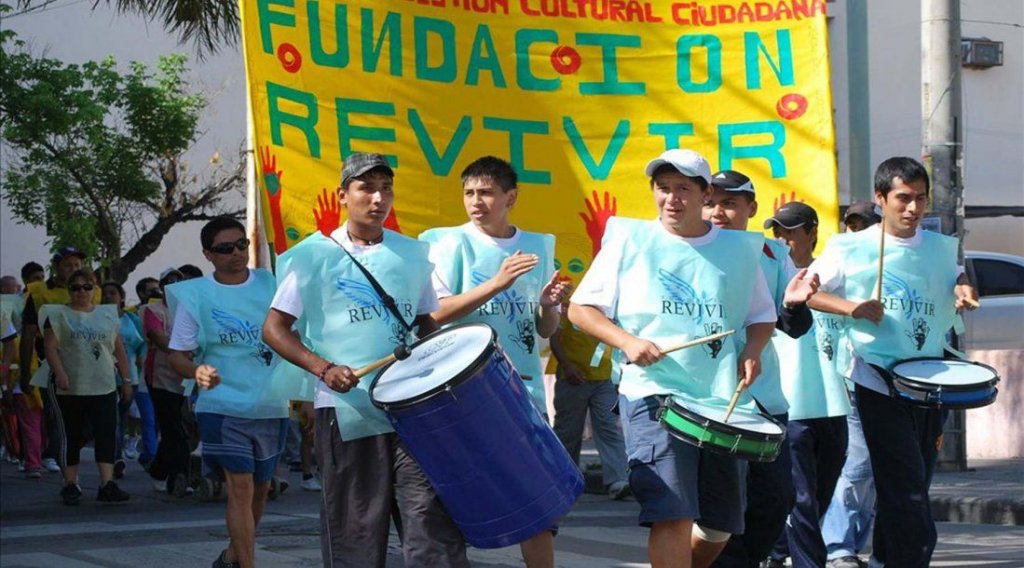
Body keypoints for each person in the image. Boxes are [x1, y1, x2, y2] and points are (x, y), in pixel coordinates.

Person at [568, 149, 779, 568]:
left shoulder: (739, 249)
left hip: (720, 401)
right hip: (653, 395)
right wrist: (626, 341)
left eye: (683, 188)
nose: (672, 198)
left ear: (705, 194)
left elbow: (761, 315)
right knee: (672, 513)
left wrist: (753, 350)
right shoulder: (630, 240)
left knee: (719, 525)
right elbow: (580, 310)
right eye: (663, 188)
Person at [263, 152, 469, 568]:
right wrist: (323, 368)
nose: (378, 198)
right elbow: (274, 328)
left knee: (429, 518)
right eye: (366, 188)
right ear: (343, 195)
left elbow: (425, 323)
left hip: (413, 410)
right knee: (356, 528)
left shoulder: (413, 255)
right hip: (347, 412)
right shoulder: (312, 256)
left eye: (386, 188)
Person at [807, 157, 978, 567]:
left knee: (912, 478)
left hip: (930, 379)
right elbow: (806, 293)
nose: (913, 208)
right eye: (903, 198)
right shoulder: (849, 246)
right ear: (881, 198)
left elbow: (957, 276)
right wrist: (852, 308)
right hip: (874, 378)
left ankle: (886, 556)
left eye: (920, 199)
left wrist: (963, 289)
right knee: (905, 484)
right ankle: (902, 556)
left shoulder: (940, 247)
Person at [419, 155, 570, 568]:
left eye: (486, 192)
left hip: (522, 386)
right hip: (461, 389)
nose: (476, 201)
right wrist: (497, 283)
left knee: (537, 497)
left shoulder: (538, 245)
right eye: (469, 192)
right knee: (458, 497)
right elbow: (432, 315)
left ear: (511, 197)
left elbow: (544, 329)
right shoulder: (444, 242)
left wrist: (548, 306)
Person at [699, 171, 818, 568]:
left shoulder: (773, 254)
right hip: (709, 400)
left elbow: (795, 327)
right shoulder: (690, 250)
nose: (719, 212)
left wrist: (796, 304)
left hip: (764, 400)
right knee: (722, 505)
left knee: (776, 498)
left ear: (750, 209)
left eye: (730, 203)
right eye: (712, 202)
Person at [166, 217, 290, 568]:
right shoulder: (196, 294)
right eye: (225, 248)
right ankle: (247, 564)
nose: (237, 253)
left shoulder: (272, 284)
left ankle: (233, 555)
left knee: (262, 489)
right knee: (240, 486)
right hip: (221, 405)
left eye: (241, 245)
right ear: (208, 254)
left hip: (270, 400)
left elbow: (296, 336)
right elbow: (177, 356)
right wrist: (196, 371)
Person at [762, 203, 850, 568]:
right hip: (792, 404)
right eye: (777, 232)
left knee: (819, 497)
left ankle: (777, 549)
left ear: (812, 232)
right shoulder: (770, 276)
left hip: (834, 403)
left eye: (790, 232)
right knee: (802, 499)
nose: (782, 240)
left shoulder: (835, 276)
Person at [33, 268, 133, 505]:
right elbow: (50, 346)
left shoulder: (107, 315)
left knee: (106, 432)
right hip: (70, 383)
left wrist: (126, 380)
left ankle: (107, 483)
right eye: (75, 287)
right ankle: (70, 483)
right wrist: (60, 373)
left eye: (87, 287)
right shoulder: (57, 315)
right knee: (71, 434)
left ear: (94, 289)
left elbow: (118, 349)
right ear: (69, 291)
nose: (81, 292)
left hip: (103, 383)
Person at [820, 203, 882, 568]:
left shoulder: (902, 259)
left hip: (899, 380)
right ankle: (838, 545)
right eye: (851, 225)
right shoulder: (840, 258)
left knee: (877, 467)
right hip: (853, 374)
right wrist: (852, 307)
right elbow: (810, 294)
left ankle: (855, 543)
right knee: (858, 461)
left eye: (865, 226)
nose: (856, 233)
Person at [21, 248, 101, 474]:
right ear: (56, 267)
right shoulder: (39, 294)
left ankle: (62, 450)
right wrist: (26, 371)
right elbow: (28, 332)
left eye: (77, 265)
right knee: (57, 413)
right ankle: (53, 454)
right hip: (50, 362)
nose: (74, 269)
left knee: (88, 418)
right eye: (68, 265)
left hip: (86, 363)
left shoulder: (91, 291)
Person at [549, 305, 630, 500]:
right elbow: (554, 338)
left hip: (603, 379)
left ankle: (618, 481)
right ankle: (564, 481)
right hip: (573, 379)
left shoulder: (611, 308)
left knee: (609, 426)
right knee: (568, 432)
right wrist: (567, 366)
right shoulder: (569, 305)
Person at [140, 268, 190, 494]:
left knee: (181, 428)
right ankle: (177, 477)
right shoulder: (152, 310)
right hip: (160, 377)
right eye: (168, 283)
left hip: (187, 377)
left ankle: (160, 470)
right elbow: (159, 339)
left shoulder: (190, 310)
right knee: (173, 429)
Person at [102, 282, 153, 471]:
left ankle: (117, 453)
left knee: (122, 417)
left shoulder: (132, 318)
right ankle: (114, 457)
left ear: (121, 297)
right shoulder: (98, 318)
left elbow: (144, 342)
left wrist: (142, 356)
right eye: (105, 293)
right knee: (112, 418)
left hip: (129, 376)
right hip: (105, 375)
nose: (108, 296)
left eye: (113, 293)